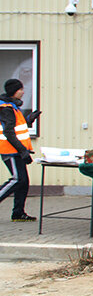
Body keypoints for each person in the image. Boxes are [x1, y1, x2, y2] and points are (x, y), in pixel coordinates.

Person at [0, 78, 40, 221]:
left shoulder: (13, 106)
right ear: (13, 91)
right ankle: (17, 212)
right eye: (20, 89)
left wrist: (29, 119)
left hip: (16, 150)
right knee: (17, 179)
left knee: (23, 182)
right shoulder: (6, 108)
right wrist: (23, 151)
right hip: (10, 151)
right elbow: (9, 132)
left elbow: (17, 127)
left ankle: (18, 213)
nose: (23, 92)